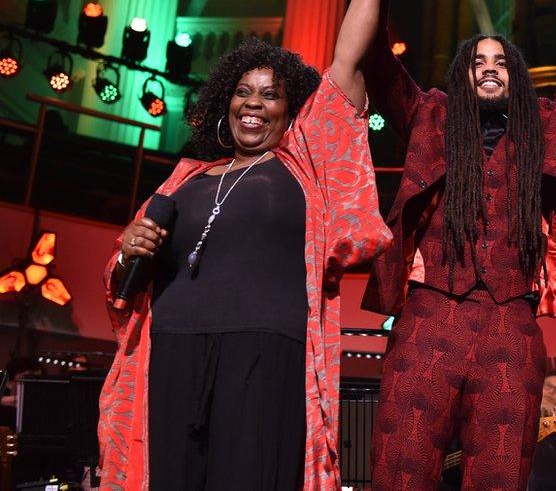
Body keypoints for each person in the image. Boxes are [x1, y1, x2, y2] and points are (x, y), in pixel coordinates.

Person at [337, 0, 556, 489]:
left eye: (502, 61)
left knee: (500, 474)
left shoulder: (547, 125)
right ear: (461, 73)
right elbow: (373, 59)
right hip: (428, 315)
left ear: (517, 75)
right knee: (401, 470)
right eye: (478, 61)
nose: (490, 69)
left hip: (510, 320)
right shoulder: (430, 116)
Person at [97, 37, 391, 489]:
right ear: (225, 101)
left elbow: (346, 67)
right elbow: (123, 288)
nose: (253, 103)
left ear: (293, 113)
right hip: (172, 348)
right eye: (242, 91)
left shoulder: (304, 167)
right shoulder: (184, 178)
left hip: (264, 351)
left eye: (271, 94)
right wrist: (126, 253)